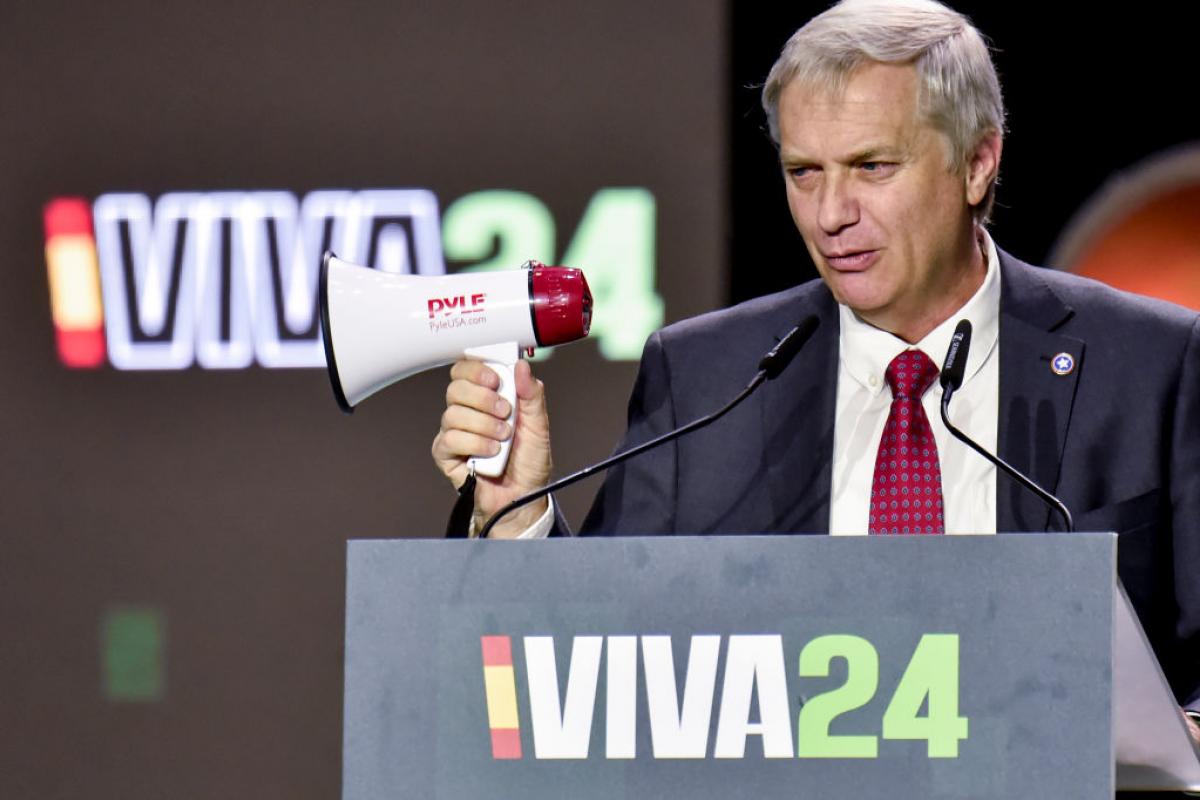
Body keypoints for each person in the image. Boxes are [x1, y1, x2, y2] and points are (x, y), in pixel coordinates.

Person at [430, 0, 1200, 751]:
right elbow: (598, 662)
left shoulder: (1151, 364)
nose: (831, 213)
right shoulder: (706, 378)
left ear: (976, 163)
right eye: (804, 172)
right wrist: (514, 509)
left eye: (872, 167)